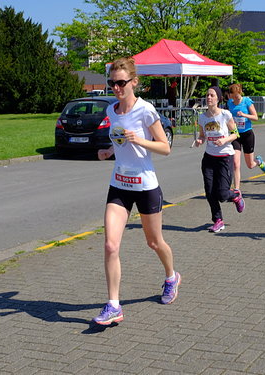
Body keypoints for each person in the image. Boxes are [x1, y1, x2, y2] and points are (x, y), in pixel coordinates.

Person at [93, 57, 181, 325]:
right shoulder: (112, 111)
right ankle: (113, 305)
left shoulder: (146, 111)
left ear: (134, 82)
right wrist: (110, 151)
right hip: (119, 184)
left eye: (121, 83)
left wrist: (139, 139)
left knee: (154, 242)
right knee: (110, 244)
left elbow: (165, 147)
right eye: (112, 83)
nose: (116, 88)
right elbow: (120, 143)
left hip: (145, 186)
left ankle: (171, 277)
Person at [195, 86, 245, 233]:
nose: (209, 98)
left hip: (224, 157)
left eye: (212, 95)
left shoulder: (225, 115)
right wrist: (199, 140)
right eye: (207, 95)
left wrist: (224, 141)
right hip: (209, 158)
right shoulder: (202, 117)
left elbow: (236, 134)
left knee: (222, 194)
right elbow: (202, 135)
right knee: (210, 192)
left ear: (218, 98)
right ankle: (218, 220)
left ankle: (235, 195)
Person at [227, 83, 265, 191]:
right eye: (234, 96)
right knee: (235, 163)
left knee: (250, 164)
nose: (236, 98)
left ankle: (259, 162)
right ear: (230, 96)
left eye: (238, 96)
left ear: (241, 93)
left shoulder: (247, 101)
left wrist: (244, 115)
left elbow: (256, 117)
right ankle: (237, 189)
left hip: (247, 134)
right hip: (235, 135)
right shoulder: (229, 103)